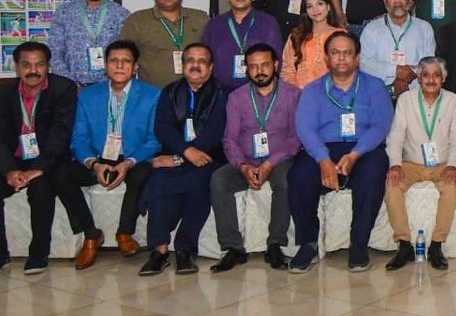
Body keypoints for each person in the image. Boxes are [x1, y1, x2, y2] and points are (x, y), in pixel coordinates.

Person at [287, 31, 392, 272]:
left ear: (357, 58)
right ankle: (308, 243)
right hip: (323, 149)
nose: (341, 58)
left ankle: (358, 244)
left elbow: (380, 125)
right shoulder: (313, 90)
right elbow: (305, 128)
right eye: (335, 53)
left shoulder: (374, 87)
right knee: (299, 175)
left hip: (363, 148)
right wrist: (323, 159)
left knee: (374, 170)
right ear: (326, 58)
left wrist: (355, 154)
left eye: (347, 53)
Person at [0, 42, 80, 276]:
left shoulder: (63, 89)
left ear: (48, 66)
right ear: (17, 67)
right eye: (26, 65)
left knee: (41, 188)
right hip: (16, 160)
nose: (33, 70)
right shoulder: (4, 94)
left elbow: (61, 133)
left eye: (39, 64)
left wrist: (39, 168)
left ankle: (38, 254)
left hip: (50, 160)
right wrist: (10, 171)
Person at [63, 40, 161, 268]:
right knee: (61, 174)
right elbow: (79, 138)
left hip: (133, 157)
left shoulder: (152, 95)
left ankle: (125, 233)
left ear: (135, 66)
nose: (119, 66)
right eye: (114, 61)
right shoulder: (87, 96)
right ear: (105, 65)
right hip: (98, 157)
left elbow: (154, 139)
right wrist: (94, 164)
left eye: (126, 61)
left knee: (142, 174)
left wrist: (128, 163)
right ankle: (90, 234)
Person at [212, 43, 301, 272]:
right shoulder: (236, 98)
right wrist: (242, 166)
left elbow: (296, 138)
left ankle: (275, 244)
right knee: (219, 181)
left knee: (284, 180)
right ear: (247, 70)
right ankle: (233, 248)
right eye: (253, 66)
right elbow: (229, 139)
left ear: (276, 65)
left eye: (264, 65)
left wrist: (271, 163)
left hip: (280, 159)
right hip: (247, 160)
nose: (259, 71)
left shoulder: (293, 94)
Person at [142, 43, 227, 275]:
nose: (195, 65)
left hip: (210, 158)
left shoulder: (222, 93)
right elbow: (163, 128)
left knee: (199, 184)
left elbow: (215, 132)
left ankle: (184, 250)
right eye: (190, 60)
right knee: (159, 181)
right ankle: (158, 250)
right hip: (174, 155)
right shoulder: (170, 91)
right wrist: (182, 154)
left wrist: (181, 158)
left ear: (211, 68)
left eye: (202, 61)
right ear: (183, 65)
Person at [383, 57, 456, 271]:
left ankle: (436, 245)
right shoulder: (406, 100)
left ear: (443, 79)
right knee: (392, 185)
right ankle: (403, 244)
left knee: (451, 187)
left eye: (436, 75)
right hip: (411, 163)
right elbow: (396, 136)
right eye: (425, 75)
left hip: (442, 164)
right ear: (418, 78)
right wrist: (395, 164)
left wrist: (453, 165)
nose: (430, 79)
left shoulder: (452, 100)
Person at [49, 0, 130, 86]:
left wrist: (105, 87)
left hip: (108, 89)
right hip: (70, 89)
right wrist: (70, 84)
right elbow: (55, 52)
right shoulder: (64, 12)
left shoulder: (121, 15)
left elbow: (125, 56)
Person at [118, 0, 208, 88]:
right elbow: (125, 58)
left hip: (196, 94)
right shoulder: (137, 21)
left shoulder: (201, 18)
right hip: (154, 95)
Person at [202, 0, 283, 91]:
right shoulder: (214, 24)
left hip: (257, 91)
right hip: (220, 92)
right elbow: (206, 59)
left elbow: (277, 61)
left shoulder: (268, 23)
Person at [359, 0, 435, 97]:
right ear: (385, 2)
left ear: (410, 0)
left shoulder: (424, 28)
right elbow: (365, 63)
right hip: (380, 95)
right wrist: (395, 71)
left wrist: (405, 78)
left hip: (416, 95)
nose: (397, 1)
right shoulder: (371, 29)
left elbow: (428, 62)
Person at [281, 0, 344, 89]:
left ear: (328, 7)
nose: (315, 10)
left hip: (333, 95)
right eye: (309, 6)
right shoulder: (297, 35)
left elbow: (347, 70)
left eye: (320, 4)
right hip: (301, 96)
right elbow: (287, 71)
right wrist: (297, 94)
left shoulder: (341, 35)